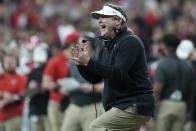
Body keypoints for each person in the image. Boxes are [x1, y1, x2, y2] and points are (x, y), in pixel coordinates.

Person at [71, 3, 155, 131]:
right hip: (123, 104)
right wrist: (82, 65)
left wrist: (89, 63)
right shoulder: (106, 46)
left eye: (104, 16)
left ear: (118, 22)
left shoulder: (130, 41)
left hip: (134, 103)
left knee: (96, 127)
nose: (99, 20)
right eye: (99, 18)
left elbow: (118, 73)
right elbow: (95, 78)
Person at [60, 32, 104, 131]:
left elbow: (108, 85)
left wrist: (93, 88)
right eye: (79, 43)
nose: (81, 45)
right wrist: (64, 88)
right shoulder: (73, 63)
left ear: (92, 45)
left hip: (92, 106)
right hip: (74, 105)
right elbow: (68, 79)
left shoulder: (99, 63)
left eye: (84, 42)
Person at [153, 34, 194, 131]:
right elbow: (191, 91)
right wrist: (188, 110)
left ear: (165, 47)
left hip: (165, 105)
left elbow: (158, 89)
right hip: (182, 106)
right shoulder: (188, 66)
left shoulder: (162, 65)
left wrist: (152, 109)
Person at [42, 31, 80, 131]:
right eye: (78, 42)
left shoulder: (82, 59)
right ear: (72, 44)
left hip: (77, 102)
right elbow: (45, 83)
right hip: (58, 102)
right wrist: (59, 87)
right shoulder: (56, 61)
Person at [0, 54, 27, 131]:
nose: (9, 64)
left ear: (16, 63)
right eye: (7, 62)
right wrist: (2, 93)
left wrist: (8, 100)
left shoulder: (21, 78)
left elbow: (22, 95)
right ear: (3, 63)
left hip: (14, 115)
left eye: (11, 62)